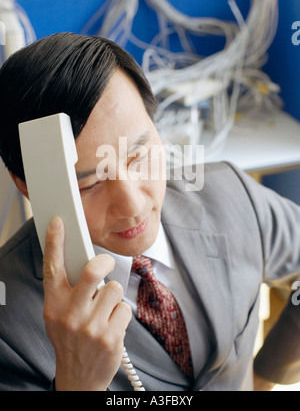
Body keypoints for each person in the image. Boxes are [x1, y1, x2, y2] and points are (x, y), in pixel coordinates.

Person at [0, 32, 300, 391]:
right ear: (29, 187)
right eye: (89, 184)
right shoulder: (8, 326)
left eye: (139, 156)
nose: (133, 204)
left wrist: (267, 373)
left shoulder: (231, 195)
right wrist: (77, 384)